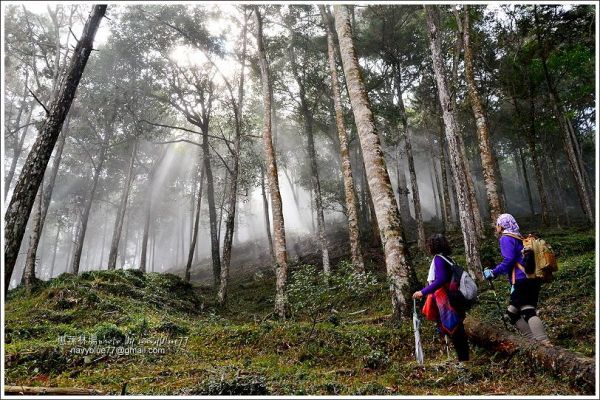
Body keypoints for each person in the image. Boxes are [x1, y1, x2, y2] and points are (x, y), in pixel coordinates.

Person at [483, 213, 551, 346]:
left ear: (502, 226)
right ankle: (531, 341)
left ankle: (543, 342)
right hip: (531, 278)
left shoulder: (506, 238)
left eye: (497, 224)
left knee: (527, 310)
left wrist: (493, 272)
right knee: (512, 313)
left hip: (522, 280)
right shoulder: (520, 237)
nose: (496, 227)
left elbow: (509, 259)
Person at [413, 234, 470, 362]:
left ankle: (463, 360)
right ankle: (463, 359)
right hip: (455, 297)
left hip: (448, 300)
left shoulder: (438, 259)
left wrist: (423, 292)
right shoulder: (448, 259)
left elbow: (440, 280)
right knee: (458, 329)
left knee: (456, 330)